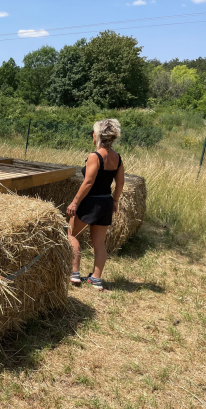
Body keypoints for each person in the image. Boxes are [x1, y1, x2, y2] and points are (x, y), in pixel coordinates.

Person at [67, 119, 125, 291]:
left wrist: (75, 201)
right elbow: (120, 183)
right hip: (106, 201)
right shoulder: (117, 157)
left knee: (71, 234)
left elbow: (88, 182)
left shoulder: (95, 156)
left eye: (93, 132)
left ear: (98, 135)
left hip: (91, 201)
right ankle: (96, 279)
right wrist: (114, 200)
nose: (92, 135)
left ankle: (74, 273)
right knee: (99, 243)